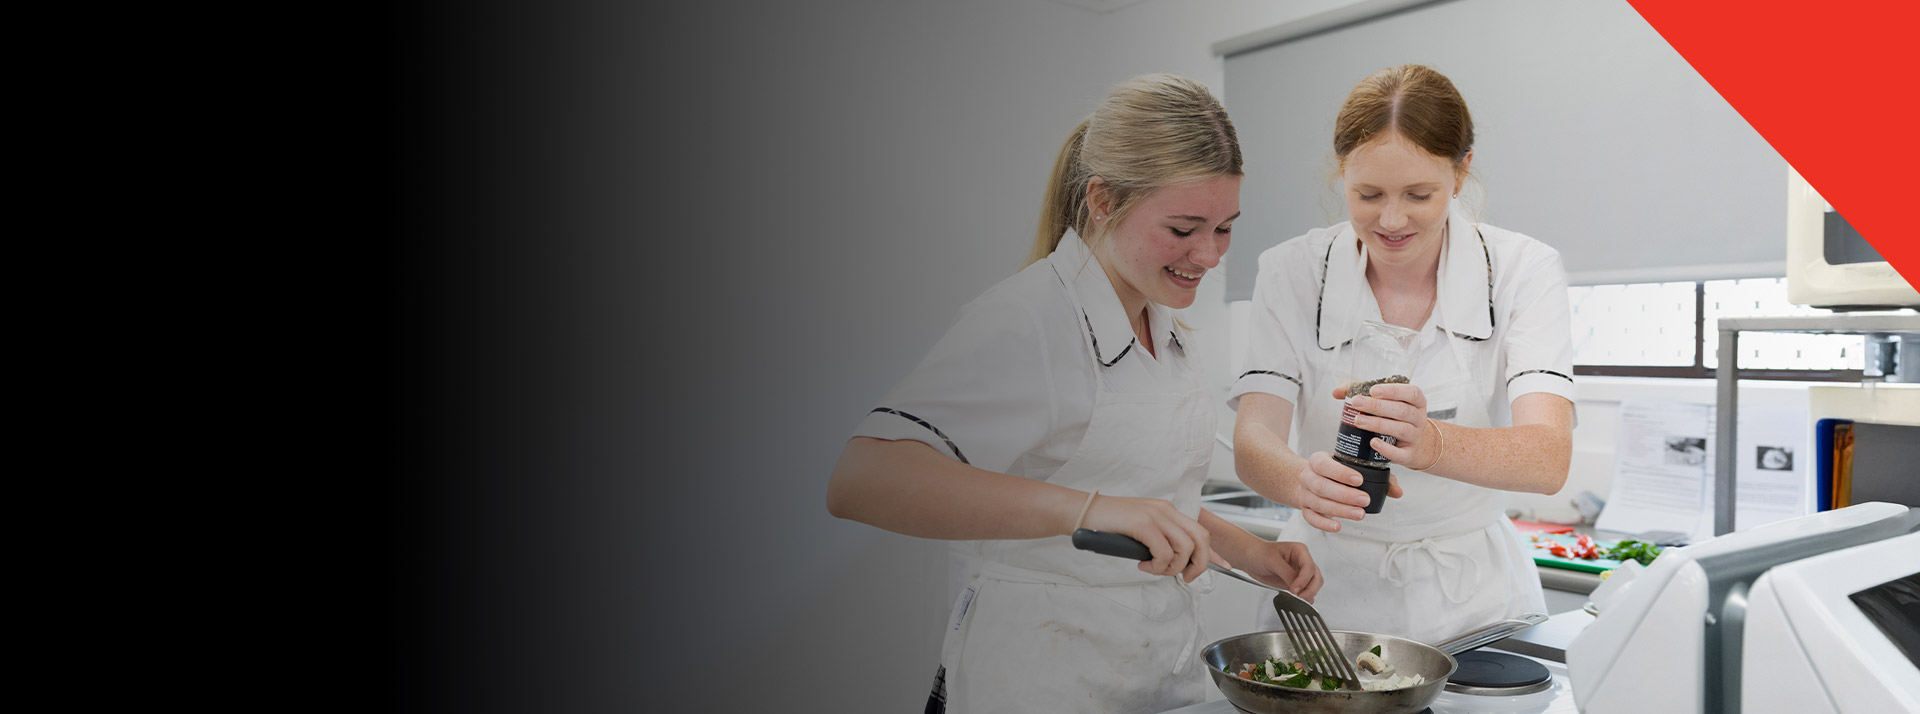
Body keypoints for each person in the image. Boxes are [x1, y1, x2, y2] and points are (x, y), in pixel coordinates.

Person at [826, 74, 1322, 714]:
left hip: (1152, 668)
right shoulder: (1028, 319)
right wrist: (1091, 509)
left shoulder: (1162, 321)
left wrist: (1250, 552)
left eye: (1224, 228)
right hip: (1038, 675)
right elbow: (862, 480)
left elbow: (1143, 490)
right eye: (1182, 228)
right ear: (1102, 198)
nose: (1208, 254)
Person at [1229, 64, 1575, 645]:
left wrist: (1433, 443)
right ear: (1342, 173)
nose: (1391, 220)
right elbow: (1252, 439)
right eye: (1368, 194)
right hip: (1327, 588)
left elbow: (1547, 459)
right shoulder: (1290, 270)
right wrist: (1298, 480)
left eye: (1420, 194)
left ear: (1461, 173)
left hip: (1476, 600)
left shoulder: (1523, 270)